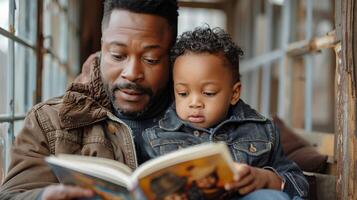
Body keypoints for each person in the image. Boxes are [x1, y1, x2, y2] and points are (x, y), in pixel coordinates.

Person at [0, 0, 178, 199]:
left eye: (151, 59)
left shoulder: (206, 118)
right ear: (102, 46)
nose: (132, 73)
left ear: (171, 56)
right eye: (118, 55)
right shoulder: (48, 121)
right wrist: (43, 196)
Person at [143, 26, 309, 199]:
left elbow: (298, 184)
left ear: (234, 93)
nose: (194, 103)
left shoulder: (262, 131)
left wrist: (266, 179)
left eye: (208, 93)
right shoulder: (156, 137)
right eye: (183, 93)